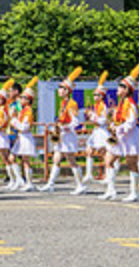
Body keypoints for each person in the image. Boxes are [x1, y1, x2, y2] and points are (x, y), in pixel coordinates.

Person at [100, 63, 139, 203]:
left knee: (131, 164)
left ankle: (135, 192)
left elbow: (131, 122)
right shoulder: (121, 103)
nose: (118, 88)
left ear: (127, 89)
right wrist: (113, 125)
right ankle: (111, 190)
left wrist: (118, 128)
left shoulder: (130, 103)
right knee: (108, 160)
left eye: (121, 86)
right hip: (120, 136)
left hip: (129, 136)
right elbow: (119, 120)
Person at [41, 67, 86, 195]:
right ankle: (50, 184)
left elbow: (75, 122)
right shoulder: (63, 103)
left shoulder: (72, 104)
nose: (59, 90)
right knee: (56, 158)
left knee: (71, 160)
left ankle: (80, 185)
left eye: (61, 88)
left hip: (68, 135)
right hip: (62, 135)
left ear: (67, 91)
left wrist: (64, 127)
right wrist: (56, 127)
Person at [9, 78, 38, 193]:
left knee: (25, 160)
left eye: (23, 98)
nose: (20, 99)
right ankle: (20, 180)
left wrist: (14, 121)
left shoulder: (28, 111)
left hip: (26, 137)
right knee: (12, 158)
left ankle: (29, 183)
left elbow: (24, 127)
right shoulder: (23, 110)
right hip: (21, 137)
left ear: (28, 100)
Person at [84, 72, 110, 188]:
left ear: (102, 96)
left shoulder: (103, 106)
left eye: (97, 95)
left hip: (102, 131)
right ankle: (89, 174)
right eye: (94, 95)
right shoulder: (96, 106)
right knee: (89, 150)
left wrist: (92, 116)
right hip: (96, 131)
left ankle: (107, 174)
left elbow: (103, 120)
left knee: (105, 153)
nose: (95, 97)